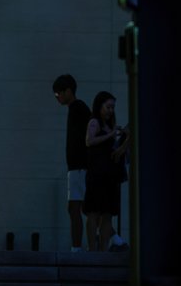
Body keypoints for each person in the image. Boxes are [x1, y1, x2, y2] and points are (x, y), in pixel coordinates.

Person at [83, 91, 130, 252]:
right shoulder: (94, 122)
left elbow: (113, 151)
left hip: (109, 176)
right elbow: (89, 141)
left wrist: (123, 140)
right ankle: (92, 248)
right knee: (93, 212)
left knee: (107, 214)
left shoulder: (109, 125)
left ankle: (103, 250)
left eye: (113, 107)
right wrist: (110, 134)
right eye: (108, 107)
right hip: (96, 174)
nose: (110, 110)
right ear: (100, 106)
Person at [52, 74, 91, 252]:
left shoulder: (78, 107)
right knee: (83, 208)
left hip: (79, 167)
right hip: (77, 167)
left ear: (68, 91)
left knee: (76, 208)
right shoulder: (76, 108)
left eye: (58, 93)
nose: (57, 97)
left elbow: (85, 136)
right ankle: (113, 237)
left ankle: (77, 249)